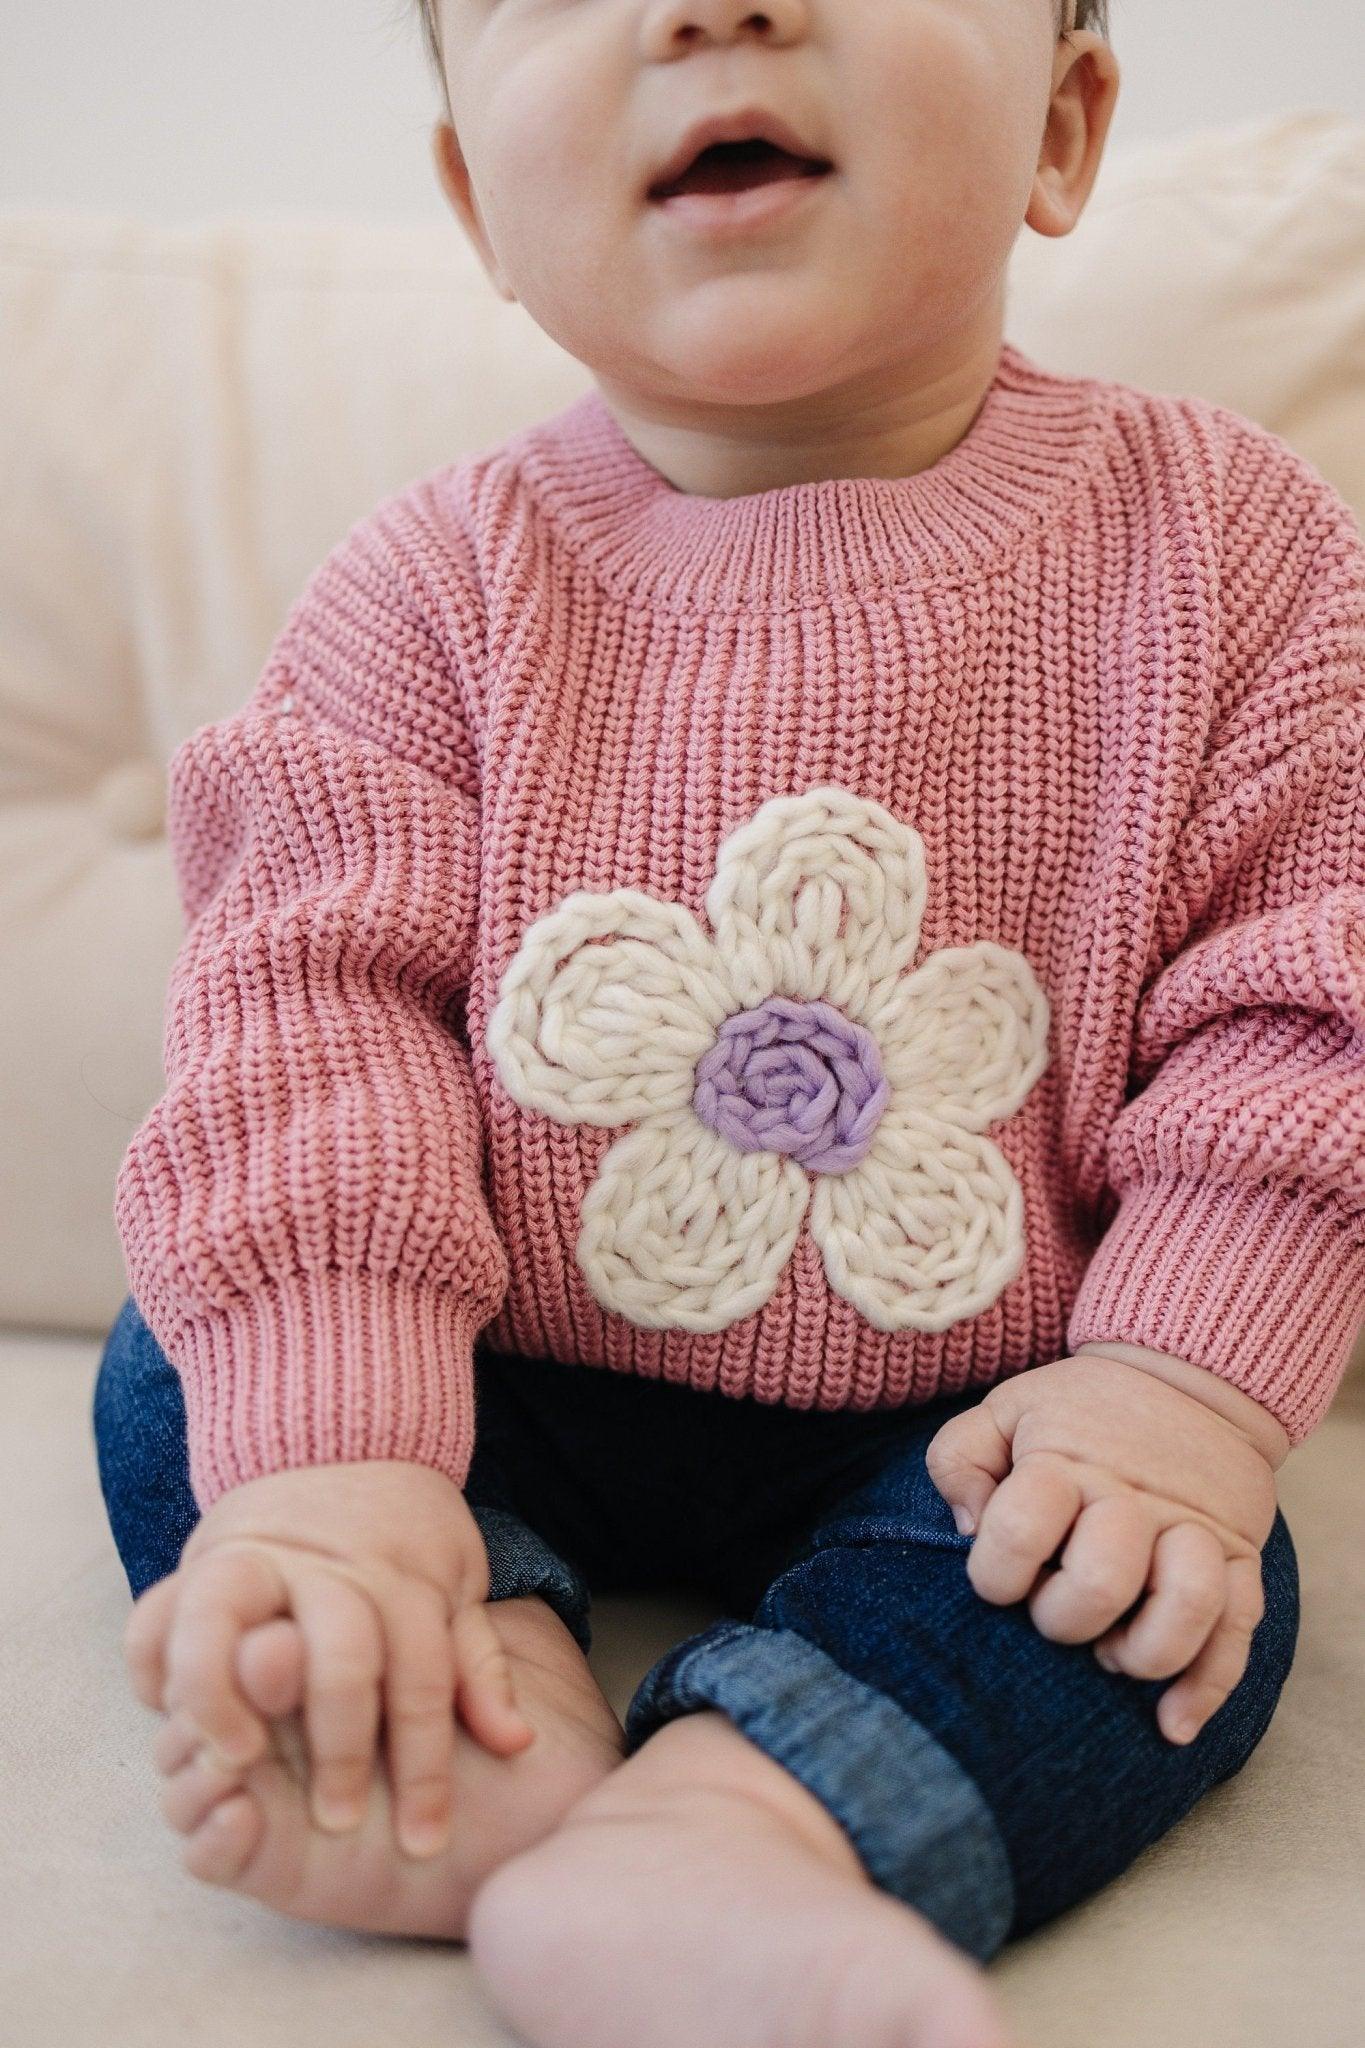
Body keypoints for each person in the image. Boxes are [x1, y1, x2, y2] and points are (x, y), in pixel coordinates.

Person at [93, 2, 1365, 2044]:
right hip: (493, 1359)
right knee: (197, 1372)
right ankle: (460, 1693)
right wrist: (334, 1474)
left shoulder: (1236, 554)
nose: (709, 5)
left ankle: (741, 1818)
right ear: (474, 205)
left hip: (975, 1419)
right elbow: (306, 1030)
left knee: (1169, 1588)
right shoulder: (425, 591)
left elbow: (1316, 1012)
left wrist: (1176, 1393)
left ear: (1060, 123)